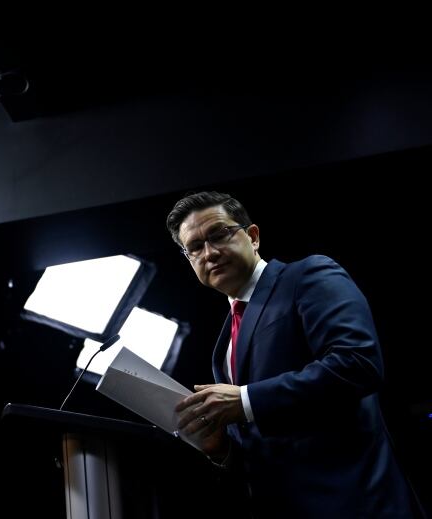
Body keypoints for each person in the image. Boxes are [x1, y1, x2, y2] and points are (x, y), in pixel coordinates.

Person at [166, 191, 421, 518]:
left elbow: (358, 363)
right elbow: (258, 441)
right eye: (195, 247)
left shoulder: (307, 276)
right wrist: (223, 449)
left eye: (218, 234)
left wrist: (245, 400)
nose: (210, 253)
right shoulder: (222, 346)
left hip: (357, 504)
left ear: (253, 236)